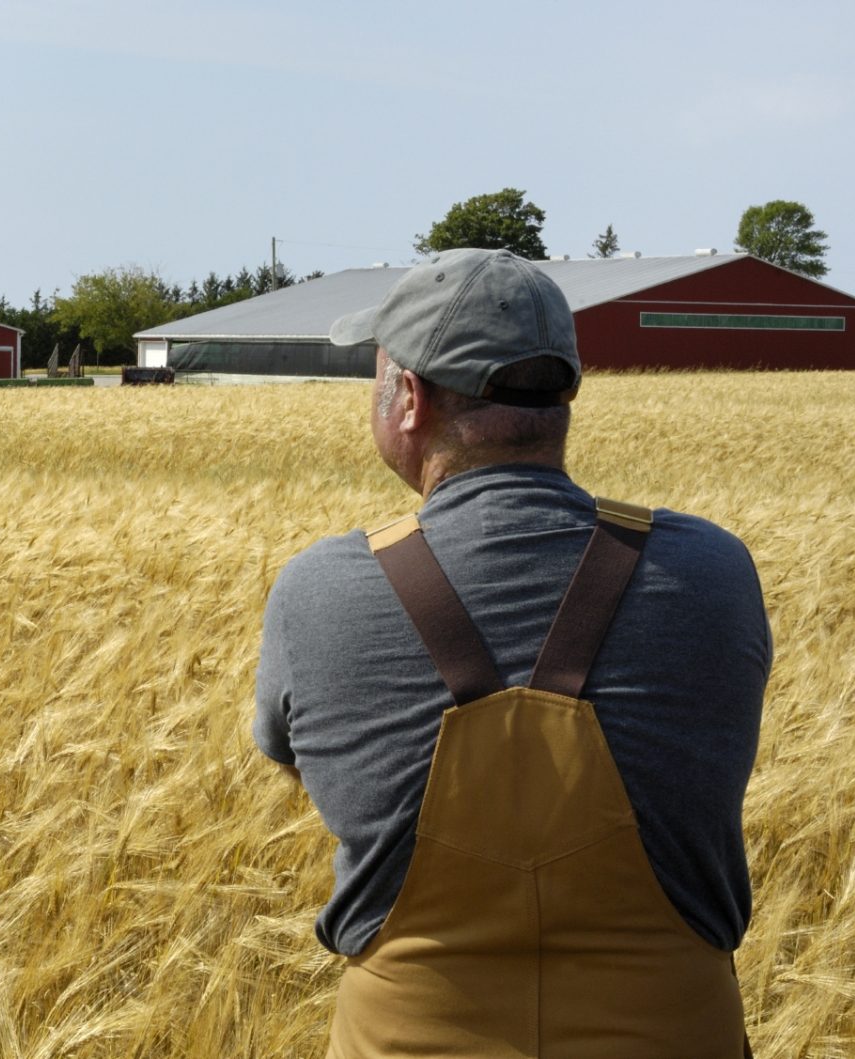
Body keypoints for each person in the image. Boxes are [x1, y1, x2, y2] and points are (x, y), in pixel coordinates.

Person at [253, 248, 770, 1057]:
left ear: (410, 399)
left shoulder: (319, 592)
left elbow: (294, 765)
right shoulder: (715, 572)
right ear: (563, 392)